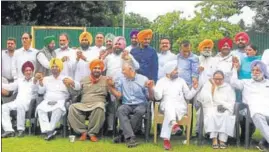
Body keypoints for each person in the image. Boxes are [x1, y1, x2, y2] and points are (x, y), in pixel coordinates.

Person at [153, 61, 200, 150]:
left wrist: (194, 88)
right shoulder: (161, 81)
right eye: (175, 70)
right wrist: (154, 89)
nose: (177, 71)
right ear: (169, 71)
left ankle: (168, 138)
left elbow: (188, 96)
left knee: (169, 112)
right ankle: (174, 125)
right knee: (169, 105)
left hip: (180, 106)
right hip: (166, 105)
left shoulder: (181, 81)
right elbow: (158, 97)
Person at [68, 59, 115, 142]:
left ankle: (92, 133)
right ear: (91, 69)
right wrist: (70, 85)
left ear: (101, 70)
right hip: (84, 104)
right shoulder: (84, 80)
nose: (97, 70)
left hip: (98, 103)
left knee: (100, 107)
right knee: (72, 107)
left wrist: (111, 86)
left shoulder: (106, 79)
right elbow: (76, 93)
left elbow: (112, 93)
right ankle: (83, 132)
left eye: (99, 68)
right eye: (95, 68)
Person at [109, 62, 154, 148]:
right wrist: (110, 87)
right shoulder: (121, 80)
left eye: (123, 70)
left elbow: (150, 97)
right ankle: (131, 137)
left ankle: (123, 136)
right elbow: (119, 96)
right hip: (127, 104)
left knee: (140, 111)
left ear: (131, 69)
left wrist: (150, 88)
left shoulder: (143, 79)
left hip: (140, 104)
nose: (122, 72)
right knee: (120, 110)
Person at [35, 58, 80, 141]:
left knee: (58, 109)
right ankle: (49, 132)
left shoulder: (66, 78)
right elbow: (41, 92)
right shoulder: (46, 78)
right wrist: (41, 84)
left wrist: (72, 82)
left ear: (60, 68)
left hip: (61, 101)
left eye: (56, 66)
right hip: (47, 100)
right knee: (40, 109)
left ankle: (50, 131)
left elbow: (78, 87)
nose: (54, 68)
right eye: (52, 66)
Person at [104, 36, 140, 134]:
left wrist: (129, 59)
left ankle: (122, 129)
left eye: (119, 44)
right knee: (111, 108)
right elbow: (102, 68)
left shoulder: (128, 55)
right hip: (111, 85)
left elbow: (137, 66)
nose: (117, 46)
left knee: (122, 108)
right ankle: (111, 128)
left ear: (123, 46)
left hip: (125, 86)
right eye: (115, 44)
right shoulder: (108, 57)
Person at [230, 60, 269, 151]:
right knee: (257, 115)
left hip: (267, 109)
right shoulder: (245, 82)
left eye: (257, 70)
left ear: (263, 72)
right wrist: (235, 69)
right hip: (253, 111)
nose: (254, 72)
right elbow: (233, 82)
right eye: (253, 70)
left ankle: (263, 142)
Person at [197, 70, 236, 149]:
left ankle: (222, 140)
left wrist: (225, 106)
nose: (218, 81)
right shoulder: (208, 85)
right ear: (213, 78)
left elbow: (232, 101)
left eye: (220, 79)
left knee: (225, 115)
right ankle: (214, 140)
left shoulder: (228, 87)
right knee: (212, 115)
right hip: (211, 106)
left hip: (225, 107)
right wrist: (212, 89)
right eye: (216, 79)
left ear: (223, 78)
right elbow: (201, 98)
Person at [2, 61, 38, 138]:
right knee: (3, 107)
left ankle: (21, 130)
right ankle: (9, 130)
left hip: (29, 104)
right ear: (23, 72)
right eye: (26, 70)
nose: (28, 72)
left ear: (32, 71)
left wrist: (36, 82)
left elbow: (39, 90)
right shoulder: (20, 81)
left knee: (20, 106)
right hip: (17, 102)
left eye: (30, 70)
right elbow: (10, 87)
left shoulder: (35, 80)